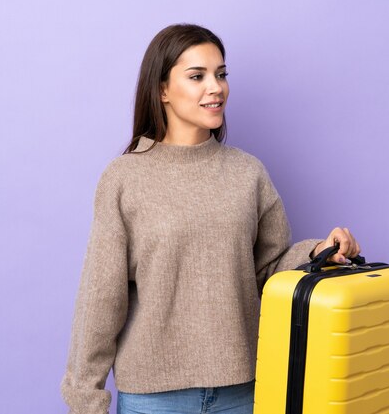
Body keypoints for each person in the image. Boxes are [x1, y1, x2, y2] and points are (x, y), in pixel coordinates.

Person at [61, 23, 361, 414]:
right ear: (162, 90)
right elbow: (101, 297)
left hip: (245, 390)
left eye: (221, 74)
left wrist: (319, 251)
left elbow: (267, 270)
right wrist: (86, 399)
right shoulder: (124, 178)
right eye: (197, 76)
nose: (215, 87)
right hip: (154, 397)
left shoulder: (247, 172)